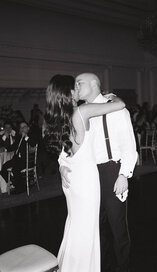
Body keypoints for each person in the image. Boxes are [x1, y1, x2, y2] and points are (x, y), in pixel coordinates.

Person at [43, 74, 126, 272]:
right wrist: (111, 96)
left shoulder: (53, 119)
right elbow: (121, 104)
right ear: (69, 92)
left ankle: (71, 265)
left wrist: (62, 165)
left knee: (75, 224)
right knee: (87, 229)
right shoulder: (82, 112)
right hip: (86, 181)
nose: (78, 90)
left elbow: (62, 151)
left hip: (71, 180)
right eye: (75, 87)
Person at [61, 73, 138, 272]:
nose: (76, 88)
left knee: (117, 225)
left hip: (111, 170)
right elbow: (68, 144)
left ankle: (123, 267)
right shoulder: (79, 112)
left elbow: (129, 145)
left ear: (95, 84)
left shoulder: (116, 109)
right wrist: (62, 163)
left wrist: (124, 174)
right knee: (96, 226)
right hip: (88, 175)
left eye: (80, 83)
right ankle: (101, 266)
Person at [0, 121, 38, 194]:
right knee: (4, 168)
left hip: (26, 160)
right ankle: (13, 183)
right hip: (17, 159)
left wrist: (26, 137)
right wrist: (5, 149)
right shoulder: (19, 137)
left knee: (16, 169)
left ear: (28, 128)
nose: (22, 129)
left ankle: (20, 188)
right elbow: (13, 146)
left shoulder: (31, 136)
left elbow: (33, 143)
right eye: (21, 128)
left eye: (24, 127)